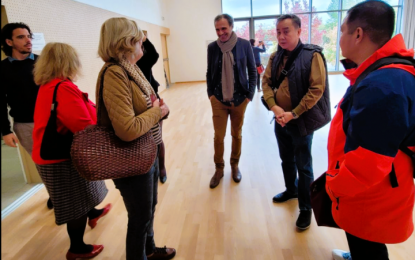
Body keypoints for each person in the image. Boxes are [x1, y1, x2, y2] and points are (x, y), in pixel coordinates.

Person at [326, 2, 415, 260]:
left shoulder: (382, 85)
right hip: (380, 185)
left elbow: (368, 163)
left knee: (368, 242)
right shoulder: (385, 72)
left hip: (369, 193)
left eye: (342, 30)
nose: (339, 37)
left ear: (358, 34)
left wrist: (334, 186)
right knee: (364, 242)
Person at [97, 17, 176, 260]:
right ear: (127, 41)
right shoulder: (115, 73)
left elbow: (149, 106)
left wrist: (160, 109)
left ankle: (150, 250)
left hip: (146, 152)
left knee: (147, 211)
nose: (143, 41)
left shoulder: (130, 70)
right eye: (139, 38)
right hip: (131, 160)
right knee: (140, 218)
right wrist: (157, 111)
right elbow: (127, 129)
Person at [32, 42, 110, 260]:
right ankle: (77, 248)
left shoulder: (48, 85)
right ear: (68, 62)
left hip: (50, 153)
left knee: (86, 188)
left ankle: (93, 213)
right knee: (75, 203)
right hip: (59, 158)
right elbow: (83, 124)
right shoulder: (62, 87)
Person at [262, 14, 331, 230]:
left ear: (299, 31)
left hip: (300, 121)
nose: (281, 36)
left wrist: (294, 113)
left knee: (304, 166)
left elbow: (316, 89)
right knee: (286, 159)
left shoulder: (312, 56)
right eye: (278, 32)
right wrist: (275, 108)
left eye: (286, 31)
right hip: (280, 120)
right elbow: (265, 84)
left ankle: (305, 208)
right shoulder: (274, 57)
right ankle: (291, 191)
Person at [1, 22, 53, 209]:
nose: (28, 40)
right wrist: (5, 131)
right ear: (9, 42)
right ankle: (55, 195)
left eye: (29, 36)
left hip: (53, 121)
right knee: (43, 165)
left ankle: (77, 199)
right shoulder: (3, 69)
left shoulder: (43, 62)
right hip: (25, 125)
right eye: (21, 37)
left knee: (66, 161)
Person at [206, 14, 256, 189]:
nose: (221, 33)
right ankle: (219, 169)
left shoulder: (244, 45)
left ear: (231, 27)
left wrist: (250, 95)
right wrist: (210, 94)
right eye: (218, 29)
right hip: (218, 99)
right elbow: (209, 72)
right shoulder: (212, 48)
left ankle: (234, 165)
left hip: (240, 99)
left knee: (237, 134)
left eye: (224, 28)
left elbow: (252, 70)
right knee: (218, 137)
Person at [136, 35, 168, 184]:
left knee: (157, 138)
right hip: (136, 106)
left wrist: (144, 38)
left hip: (152, 102)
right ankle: (150, 168)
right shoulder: (123, 67)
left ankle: (162, 168)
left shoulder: (143, 61)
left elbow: (154, 54)